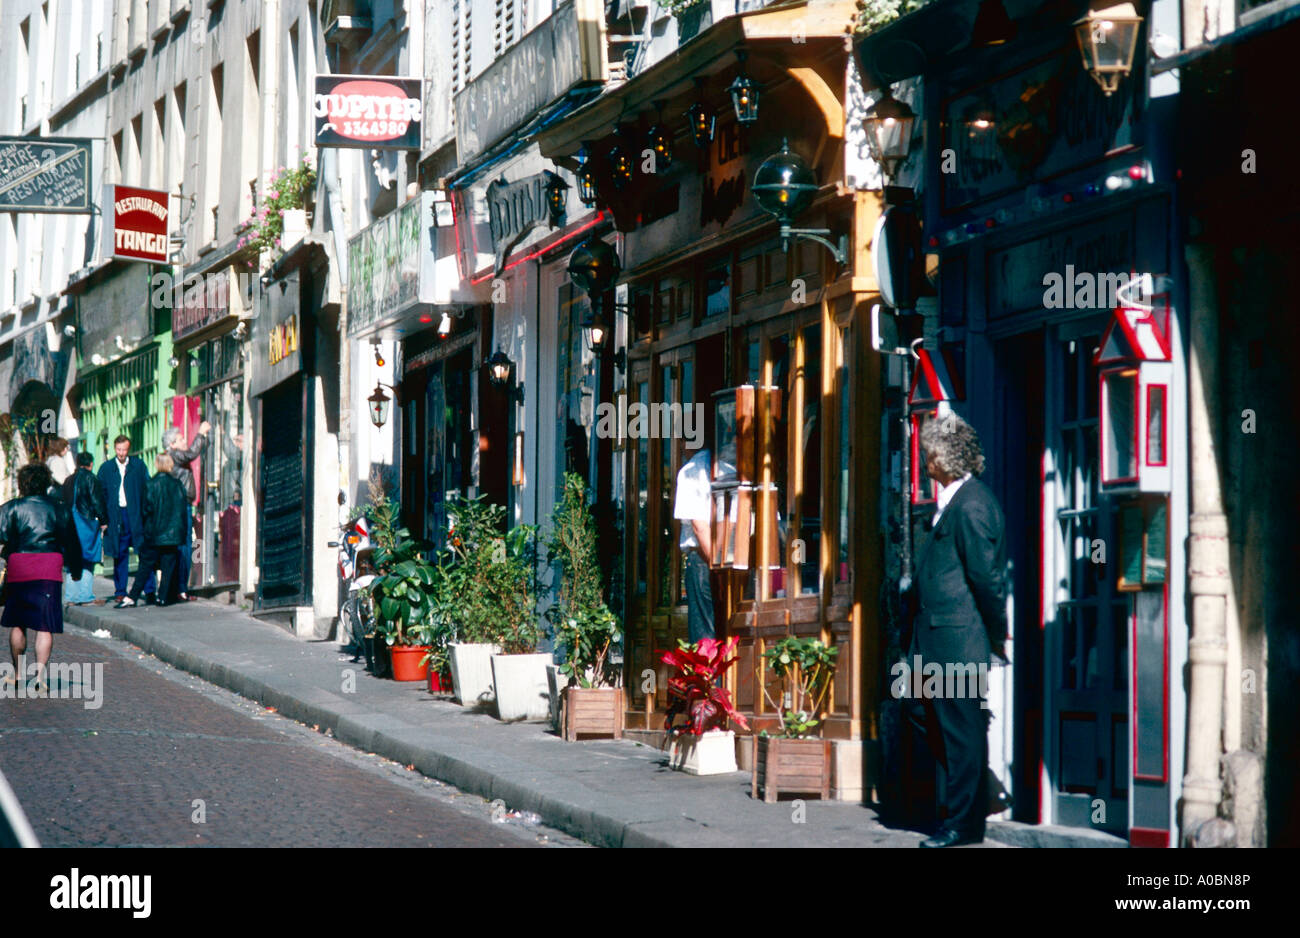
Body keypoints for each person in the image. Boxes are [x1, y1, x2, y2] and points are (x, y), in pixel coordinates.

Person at [907, 411, 1009, 848]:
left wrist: (994, 636)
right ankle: (966, 800)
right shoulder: (951, 502)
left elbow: (986, 580)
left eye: (930, 454)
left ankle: (964, 825)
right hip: (934, 641)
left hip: (958, 640)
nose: (926, 462)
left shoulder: (973, 504)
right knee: (919, 713)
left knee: (962, 731)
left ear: (946, 458)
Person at [0, 463, 83, 695]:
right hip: (49, 565)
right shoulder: (59, 509)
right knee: (45, 624)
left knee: (18, 621)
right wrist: (76, 569)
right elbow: (72, 542)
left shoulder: (12, 508)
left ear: (22, 483)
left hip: (20, 565)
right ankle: (40, 677)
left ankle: (17, 674)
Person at [121, 453, 187, 609]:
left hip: (153, 534)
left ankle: (132, 596)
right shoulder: (177, 485)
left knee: (144, 567)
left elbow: (146, 510)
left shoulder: (151, 484)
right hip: (172, 535)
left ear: (157, 464)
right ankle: (163, 597)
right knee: (168, 567)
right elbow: (182, 511)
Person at [97, 435, 155, 605]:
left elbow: (147, 488)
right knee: (119, 554)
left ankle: (150, 590)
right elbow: (101, 494)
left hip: (135, 514)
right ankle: (120, 591)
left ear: (128, 449)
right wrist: (103, 518)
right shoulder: (106, 468)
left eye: (124, 450)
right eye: (118, 450)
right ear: (114, 449)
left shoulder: (138, 465)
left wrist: (146, 513)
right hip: (116, 515)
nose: (121, 453)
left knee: (143, 554)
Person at [162, 422, 210, 601]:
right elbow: (191, 453)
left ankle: (179, 586)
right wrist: (201, 434)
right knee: (184, 545)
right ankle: (181, 587)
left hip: (181, 504)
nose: (184, 442)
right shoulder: (174, 455)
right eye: (181, 440)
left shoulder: (172, 456)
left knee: (183, 545)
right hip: (181, 505)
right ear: (172, 444)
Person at [673, 445, 714, 643]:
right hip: (717, 558)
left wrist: (715, 563)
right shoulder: (722, 463)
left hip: (703, 560)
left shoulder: (692, 470)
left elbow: (699, 525)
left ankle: (709, 675)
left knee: (705, 636)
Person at [61, 451, 109, 605]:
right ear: (91, 464)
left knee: (71, 559)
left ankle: (71, 596)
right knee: (88, 558)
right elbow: (97, 502)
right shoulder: (92, 479)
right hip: (86, 522)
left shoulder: (68, 480)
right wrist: (103, 520)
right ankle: (85, 595)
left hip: (69, 521)